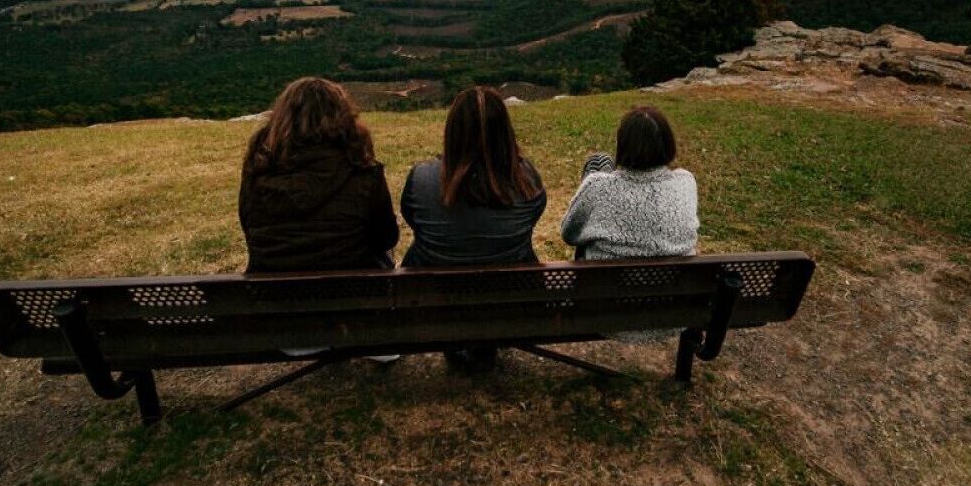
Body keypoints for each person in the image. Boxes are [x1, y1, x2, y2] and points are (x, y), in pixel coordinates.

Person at [400, 85, 547, 370]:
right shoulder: (527, 180)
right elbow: (532, 219)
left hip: (435, 304)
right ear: (504, 131)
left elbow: (412, 219)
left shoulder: (421, 179)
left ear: (452, 131)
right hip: (510, 306)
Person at [561, 107, 699, 341]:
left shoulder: (597, 187)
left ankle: (598, 167)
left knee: (595, 173)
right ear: (668, 144)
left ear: (622, 145)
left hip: (606, 315)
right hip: (673, 313)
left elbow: (569, 234)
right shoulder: (686, 181)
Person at [239, 77, 399, 273]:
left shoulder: (257, 174)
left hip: (269, 290)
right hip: (353, 289)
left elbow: (249, 230)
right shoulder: (364, 174)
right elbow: (386, 238)